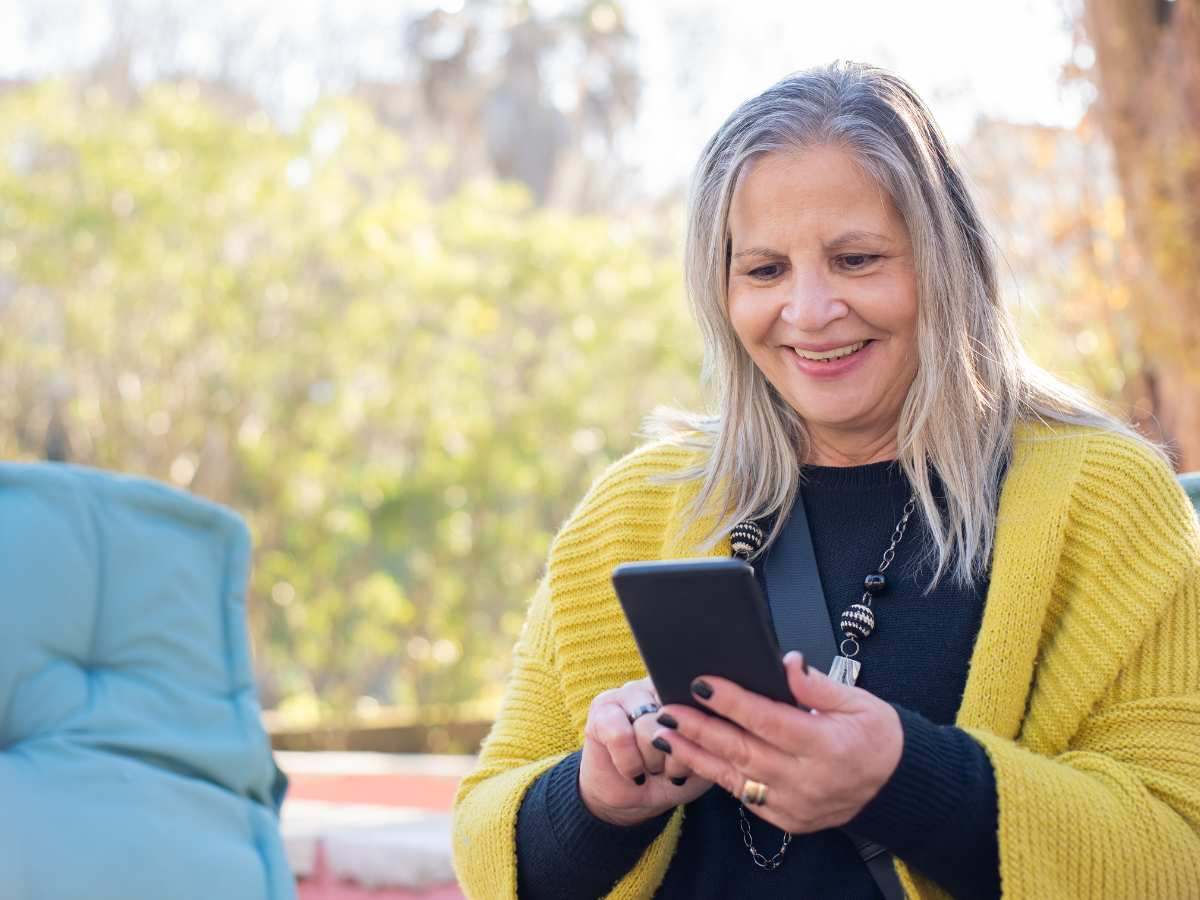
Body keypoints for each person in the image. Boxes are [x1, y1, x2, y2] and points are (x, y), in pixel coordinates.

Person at [450, 60, 1200, 899]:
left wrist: (903, 780)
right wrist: (596, 799)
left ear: (944, 265)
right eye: (764, 270)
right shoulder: (638, 506)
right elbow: (486, 841)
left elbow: (1175, 849)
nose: (808, 312)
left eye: (856, 259)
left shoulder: (1102, 498)